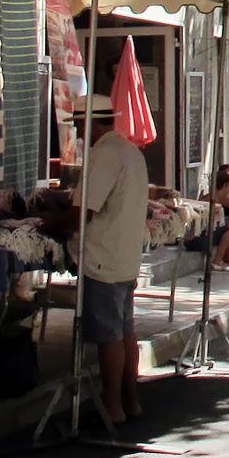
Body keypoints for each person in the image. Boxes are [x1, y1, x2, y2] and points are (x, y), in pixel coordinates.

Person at [76, 112, 150, 427]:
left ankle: (114, 404)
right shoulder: (130, 152)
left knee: (110, 336)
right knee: (125, 331)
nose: (79, 131)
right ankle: (130, 401)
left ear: (92, 123)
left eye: (80, 125)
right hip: (125, 254)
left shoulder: (105, 154)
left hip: (104, 256)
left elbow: (86, 209)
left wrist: (55, 221)